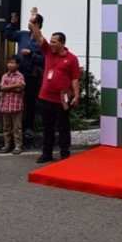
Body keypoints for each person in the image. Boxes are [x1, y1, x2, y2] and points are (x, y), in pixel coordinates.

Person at [30, 19, 80, 163]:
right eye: (50, 41)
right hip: (45, 98)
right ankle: (47, 153)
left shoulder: (71, 59)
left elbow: (74, 79)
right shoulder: (48, 52)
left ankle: (65, 153)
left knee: (64, 127)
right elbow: (38, 36)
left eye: (54, 42)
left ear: (62, 43)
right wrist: (34, 21)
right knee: (48, 128)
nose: (51, 44)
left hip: (62, 100)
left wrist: (76, 96)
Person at [3, 8, 45, 145]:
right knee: (16, 100)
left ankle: (28, 127)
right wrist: (12, 23)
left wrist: (31, 54)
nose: (29, 23)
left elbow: (43, 60)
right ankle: (15, 127)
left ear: (38, 25)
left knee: (30, 102)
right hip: (18, 74)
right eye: (29, 21)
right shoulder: (23, 35)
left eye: (32, 21)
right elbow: (8, 35)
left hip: (32, 75)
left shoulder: (41, 41)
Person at [0, 55, 26, 154]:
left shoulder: (20, 76)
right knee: (7, 128)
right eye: (8, 62)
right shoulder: (4, 76)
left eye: (12, 63)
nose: (9, 64)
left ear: (17, 65)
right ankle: (7, 145)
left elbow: (19, 89)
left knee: (17, 128)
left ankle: (18, 146)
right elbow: (2, 88)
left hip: (16, 106)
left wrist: (8, 87)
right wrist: (14, 86)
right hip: (5, 106)